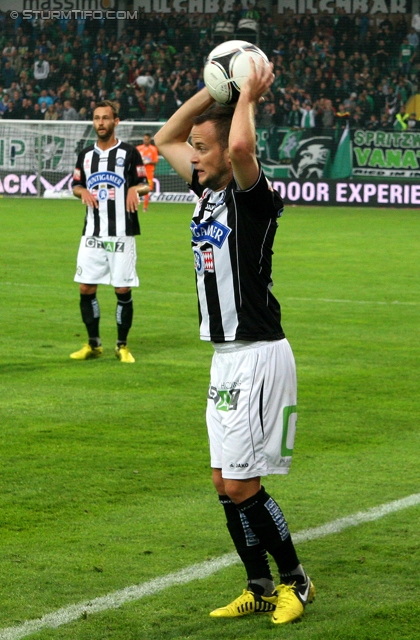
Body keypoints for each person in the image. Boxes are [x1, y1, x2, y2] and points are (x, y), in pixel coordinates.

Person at [154, 61, 314, 625]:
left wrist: (244, 93)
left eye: (203, 149)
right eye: (195, 150)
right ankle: (259, 586)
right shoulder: (203, 188)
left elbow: (242, 143)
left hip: (257, 354)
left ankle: (297, 582)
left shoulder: (252, 197)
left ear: (227, 153)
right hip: (223, 359)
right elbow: (164, 137)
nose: (192, 157)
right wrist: (213, 91)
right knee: (225, 482)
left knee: (245, 483)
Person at [70, 100, 149, 363]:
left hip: (122, 232)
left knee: (122, 290)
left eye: (105, 118)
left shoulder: (129, 153)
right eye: (96, 118)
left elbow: (145, 185)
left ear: (116, 122)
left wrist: (131, 189)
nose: (100, 123)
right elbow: (76, 185)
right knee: (85, 288)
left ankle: (122, 346)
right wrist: (81, 192)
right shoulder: (85, 155)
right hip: (92, 232)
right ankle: (93, 344)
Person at [136, 133, 159, 212]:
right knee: (136, 188)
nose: (145, 140)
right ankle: (135, 204)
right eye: (144, 139)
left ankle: (145, 207)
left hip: (149, 172)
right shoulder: (138, 148)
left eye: (147, 139)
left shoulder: (153, 149)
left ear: (150, 140)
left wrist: (148, 162)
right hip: (139, 171)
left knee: (147, 189)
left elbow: (155, 161)